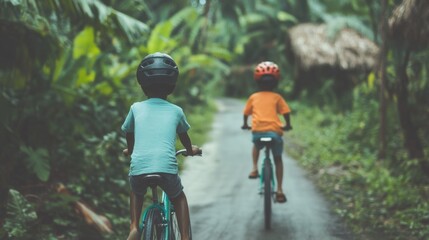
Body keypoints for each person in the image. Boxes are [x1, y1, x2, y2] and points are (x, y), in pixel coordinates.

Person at [122, 52, 200, 240]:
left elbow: (129, 133)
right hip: (166, 168)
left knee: (136, 190)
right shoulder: (176, 111)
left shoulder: (135, 108)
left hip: (139, 166)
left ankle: (134, 226)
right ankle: (185, 237)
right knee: (179, 197)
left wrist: (131, 150)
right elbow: (184, 138)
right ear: (172, 84)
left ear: (142, 83)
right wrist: (190, 150)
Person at [241, 61, 292, 203]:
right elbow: (286, 112)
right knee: (278, 159)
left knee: (256, 145)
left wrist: (245, 124)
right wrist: (287, 124)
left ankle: (254, 168)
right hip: (275, 133)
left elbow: (246, 113)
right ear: (276, 82)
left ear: (257, 81)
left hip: (257, 132)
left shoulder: (253, 97)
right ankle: (280, 190)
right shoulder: (277, 97)